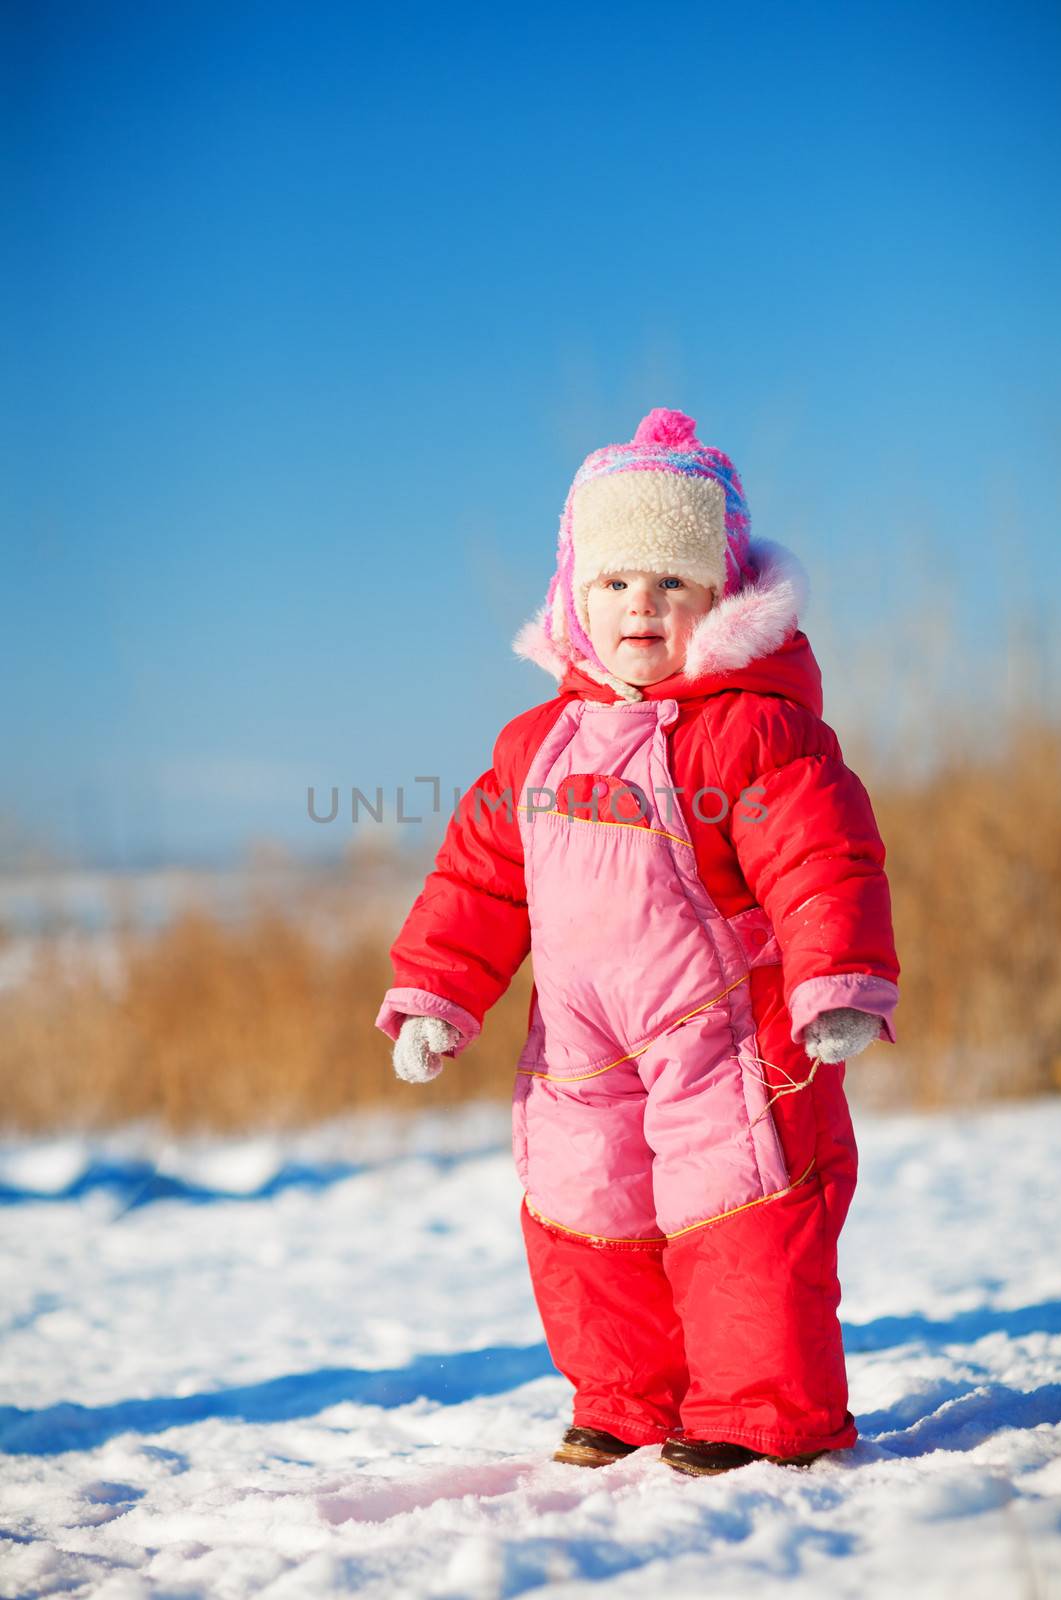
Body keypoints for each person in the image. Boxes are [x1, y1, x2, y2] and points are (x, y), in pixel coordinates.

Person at [374, 407, 900, 1477]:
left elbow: (819, 860)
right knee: (582, 1204)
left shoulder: (753, 727)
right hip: (577, 1034)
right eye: (614, 582)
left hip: (722, 1025)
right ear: (576, 595)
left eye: (671, 581)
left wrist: (834, 980)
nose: (640, 607)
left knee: (738, 1205)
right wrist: (435, 990)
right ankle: (623, 1394)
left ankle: (758, 1408)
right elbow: (479, 876)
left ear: (721, 596)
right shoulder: (535, 744)